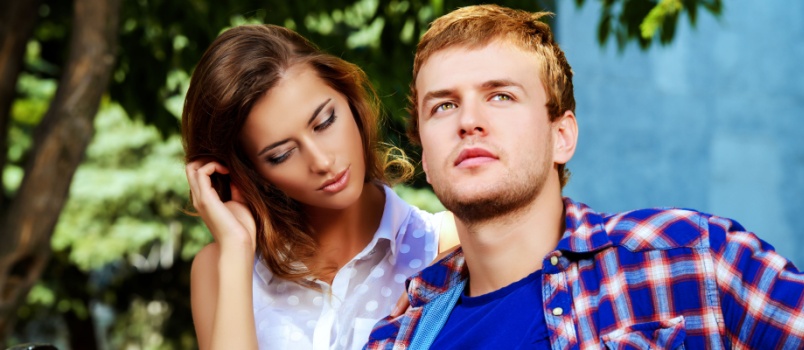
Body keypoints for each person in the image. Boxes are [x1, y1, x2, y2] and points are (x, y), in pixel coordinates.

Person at [366, 4, 804, 349]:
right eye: (443, 106)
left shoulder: (692, 257)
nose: (468, 121)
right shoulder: (398, 338)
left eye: (500, 95)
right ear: (424, 154)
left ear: (562, 136)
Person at [182, 24, 457, 350]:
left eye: (325, 122)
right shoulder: (221, 266)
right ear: (246, 173)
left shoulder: (449, 243)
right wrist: (236, 249)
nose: (322, 162)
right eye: (281, 155)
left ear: (350, 99)